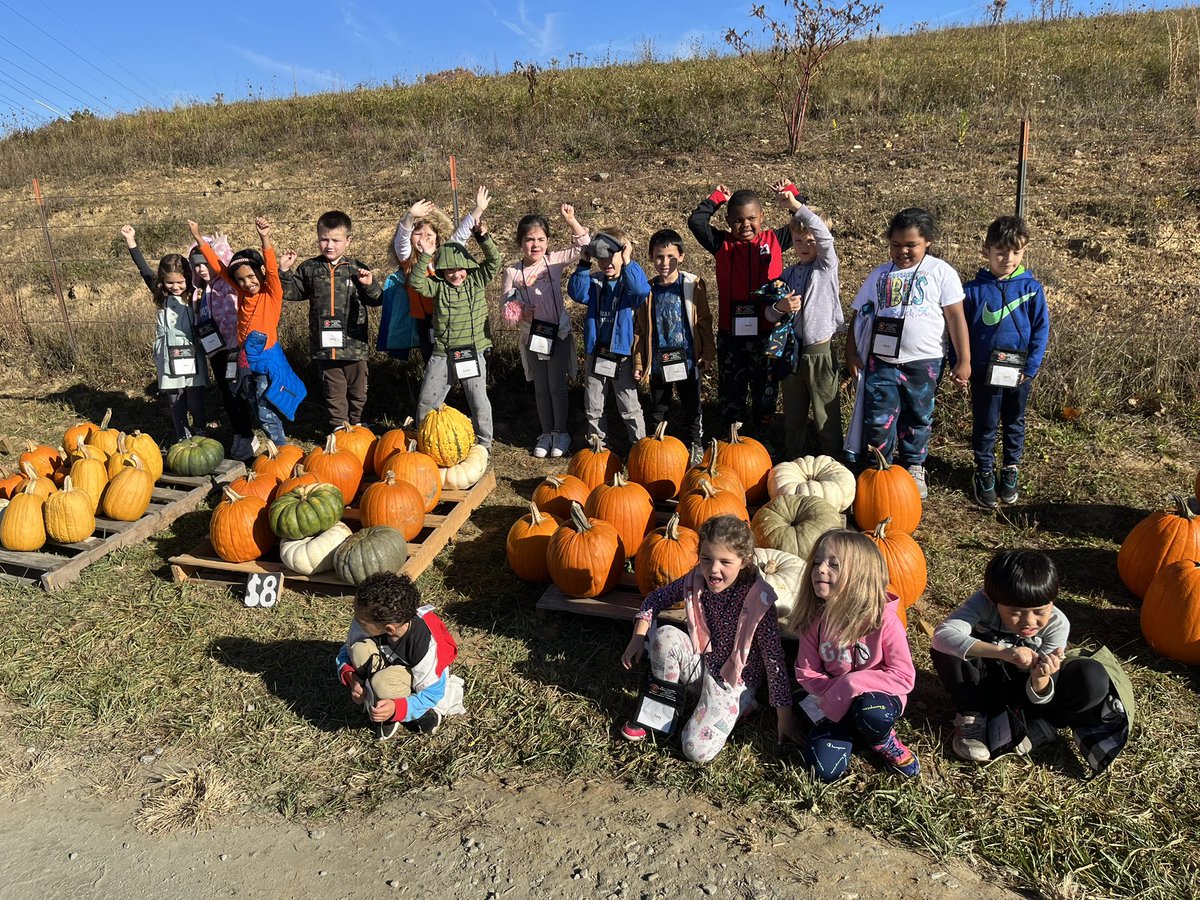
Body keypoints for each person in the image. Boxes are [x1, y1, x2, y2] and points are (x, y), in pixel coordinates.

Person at [619, 515, 798, 763]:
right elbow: (655, 599)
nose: (713, 569)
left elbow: (774, 660)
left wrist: (785, 717)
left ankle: (742, 705)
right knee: (663, 636)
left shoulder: (760, 602)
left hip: (734, 682)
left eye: (725, 562)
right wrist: (638, 636)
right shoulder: (696, 579)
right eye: (706, 559)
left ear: (744, 561)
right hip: (703, 662)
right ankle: (661, 710)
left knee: (695, 749)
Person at [930, 549, 1121, 765]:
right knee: (950, 648)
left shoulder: (1057, 624)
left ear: (1053, 601)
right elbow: (942, 636)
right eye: (1015, 613)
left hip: (1028, 696)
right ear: (993, 600)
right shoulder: (982, 603)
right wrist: (1003, 653)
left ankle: (1044, 724)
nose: (1028, 622)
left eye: (1039, 611)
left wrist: (1041, 677)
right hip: (986, 682)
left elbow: (1043, 695)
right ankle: (972, 715)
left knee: (1092, 676)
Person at [845, 208, 971, 498]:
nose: (902, 251)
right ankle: (880, 467)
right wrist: (851, 352)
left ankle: (914, 464)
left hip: (923, 361)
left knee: (917, 416)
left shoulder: (940, 272)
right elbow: (860, 314)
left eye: (911, 245)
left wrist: (963, 359)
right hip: (881, 361)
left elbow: (955, 317)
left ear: (927, 242)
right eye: (896, 244)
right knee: (878, 418)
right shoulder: (879, 275)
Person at [792, 529, 920, 781]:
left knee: (872, 712)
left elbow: (903, 677)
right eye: (817, 562)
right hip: (832, 700)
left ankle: (883, 740)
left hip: (876, 699)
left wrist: (851, 684)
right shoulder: (814, 621)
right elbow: (807, 673)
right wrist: (838, 695)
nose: (820, 569)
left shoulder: (884, 621)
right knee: (824, 771)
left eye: (834, 565)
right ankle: (854, 732)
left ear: (861, 575)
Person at [687, 183, 799, 453]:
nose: (745, 225)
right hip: (732, 336)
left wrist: (792, 196)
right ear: (728, 221)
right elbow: (696, 222)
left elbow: (806, 219)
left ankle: (763, 437)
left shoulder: (775, 240)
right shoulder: (722, 244)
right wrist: (716, 198)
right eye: (737, 220)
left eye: (751, 218)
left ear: (762, 217)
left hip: (767, 333)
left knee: (765, 390)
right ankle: (731, 439)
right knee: (731, 391)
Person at [189, 216, 305, 445]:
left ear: (261, 273)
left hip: (265, 359)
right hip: (246, 359)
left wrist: (265, 237)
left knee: (264, 407)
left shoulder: (271, 294)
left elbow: (271, 269)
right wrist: (198, 237)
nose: (247, 283)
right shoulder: (242, 292)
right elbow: (218, 267)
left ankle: (280, 447)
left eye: (252, 276)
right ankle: (273, 442)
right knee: (253, 400)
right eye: (241, 280)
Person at [961, 216, 1050, 509]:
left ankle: (1011, 468)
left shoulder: (1032, 289)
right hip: (983, 373)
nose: (1008, 259)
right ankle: (984, 470)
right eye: (1000, 252)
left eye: (1016, 252)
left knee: (1014, 421)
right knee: (985, 422)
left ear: (1024, 251)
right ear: (986, 251)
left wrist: (1031, 367)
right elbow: (958, 330)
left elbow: (1041, 329)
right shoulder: (971, 291)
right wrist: (960, 363)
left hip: (1018, 373)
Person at [501, 204, 590, 458]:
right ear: (520, 242)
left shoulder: (553, 262)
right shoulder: (512, 272)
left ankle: (561, 432)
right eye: (530, 239)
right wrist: (520, 311)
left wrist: (571, 221)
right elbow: (505, 309)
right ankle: (546, 432)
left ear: (548, 241)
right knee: (541, 387)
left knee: (557, 386)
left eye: (541, 239)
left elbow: (584, 246)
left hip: (557, 335)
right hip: (533, 338)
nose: (536, 245)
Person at [280, 210, 382, 430]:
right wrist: (285, 271)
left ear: (348, 240)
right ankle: (339, 427)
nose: (329, 245)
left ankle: (357, 424)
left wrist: (370, 285)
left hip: (354, 345)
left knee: (358, 389)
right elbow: (292, 292)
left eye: (336, 240)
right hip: (324, 347)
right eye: (324, 239)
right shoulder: (309, 268)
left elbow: (376, 300)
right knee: (333, 390)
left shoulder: (356, 268)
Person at [407, 216, 501, 449]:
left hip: (473, 351)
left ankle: (484, 444)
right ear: (442, 270)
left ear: (467, 267)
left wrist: (482, 237)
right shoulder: (437, 287)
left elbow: (494, 261)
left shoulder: (477, 280)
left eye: (459, 268)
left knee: (478, 401)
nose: (455, 274)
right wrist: (426, 255)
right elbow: (416, 282)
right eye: (449, 269)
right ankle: (425, 444)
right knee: (427, 401)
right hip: (443, 353)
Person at [336, 573, 466, 740]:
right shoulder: (368, 621)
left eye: (361, 621)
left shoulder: (425, 646)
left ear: (389, 629)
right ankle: (380, 701)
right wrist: (351, 677)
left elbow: (432, 693)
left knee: (382, 684)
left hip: (418, 681)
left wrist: (397, 708)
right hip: (390, 663)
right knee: (358, 650)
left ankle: (417, 714)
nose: (355, 619)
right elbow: (347, 650)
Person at [764, 188, 844, 459]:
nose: (804, 246)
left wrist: (796, 206)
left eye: (810, 240)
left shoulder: (826, 267)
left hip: (819, 353)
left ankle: (834, 462)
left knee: (825, 415)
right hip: (791, 353)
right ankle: (794, 460)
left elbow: (824, 237)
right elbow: (769, 314)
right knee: (794, 415)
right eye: (798, 241)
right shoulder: (787, 274)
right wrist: (780, 307)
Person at [631, 228, 714, 458]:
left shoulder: (692, 285)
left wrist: (707, 352)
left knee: (692, 405)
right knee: (659, 407)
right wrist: (639, 362)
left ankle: (696, 444)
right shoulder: (647, 290)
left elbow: (704, 321)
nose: (665, 262)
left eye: (671, 256)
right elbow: (640, 329)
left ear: (681, 256)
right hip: (659, 362)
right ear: (651, 256)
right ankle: (658, 449)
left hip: (687, 359)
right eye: (659, 257)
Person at [567, 228, 649, 448]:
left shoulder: (628, 283)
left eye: (611, 256)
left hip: (622, 356)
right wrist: (584, 263)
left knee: (629, 405)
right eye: (601, 258)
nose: (606, 263)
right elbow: (576, 292)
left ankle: (639, 447)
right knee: (593, 405)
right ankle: (598, 446)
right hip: (596, 353)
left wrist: (628, 261)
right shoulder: (594, 282)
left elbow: (640, 291)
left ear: (623, 253)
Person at [123, 239, 208, 441]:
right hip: (168, 354)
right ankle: (182, 436)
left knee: (195, 397)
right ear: (162, 281)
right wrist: (131, 242)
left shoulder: (195, 295)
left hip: (191, 352)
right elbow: (144, 270)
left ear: (188, 278)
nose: (175, 287)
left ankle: (200, 431)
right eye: (170, 283)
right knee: (175, 398)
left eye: (180, 282)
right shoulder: (161, 295)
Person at [390, 190, 488, 363]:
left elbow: (462, 234)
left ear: (438, 238)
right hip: (426, 321)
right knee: (433, 361)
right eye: (418, 234)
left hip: (453, 315)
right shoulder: (408, 259)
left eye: (429, 235)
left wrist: (478, 209)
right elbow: (401, 240)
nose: (423, 239)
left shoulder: (445, 254)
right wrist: (410, 216)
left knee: (461, 361)